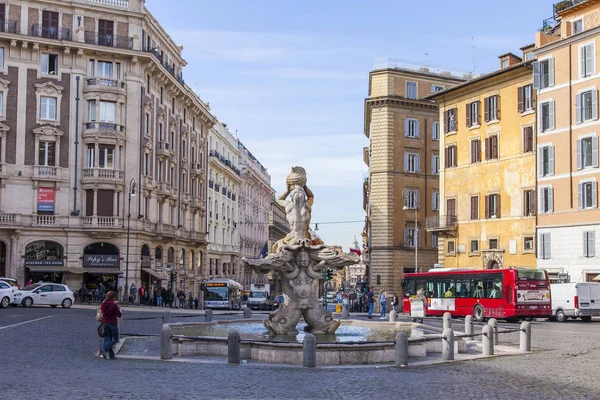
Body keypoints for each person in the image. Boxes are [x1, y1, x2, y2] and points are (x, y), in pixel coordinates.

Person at [99, 291, 122, 360]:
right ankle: (104, 349)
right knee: (115, 339)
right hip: (113, 323)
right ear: (113, 297)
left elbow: (103, 312)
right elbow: (119, 315)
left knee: (109, 339)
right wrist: (120, 310)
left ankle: (112, 355)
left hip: (106, 323)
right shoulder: (113, 305)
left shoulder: (103, 304)